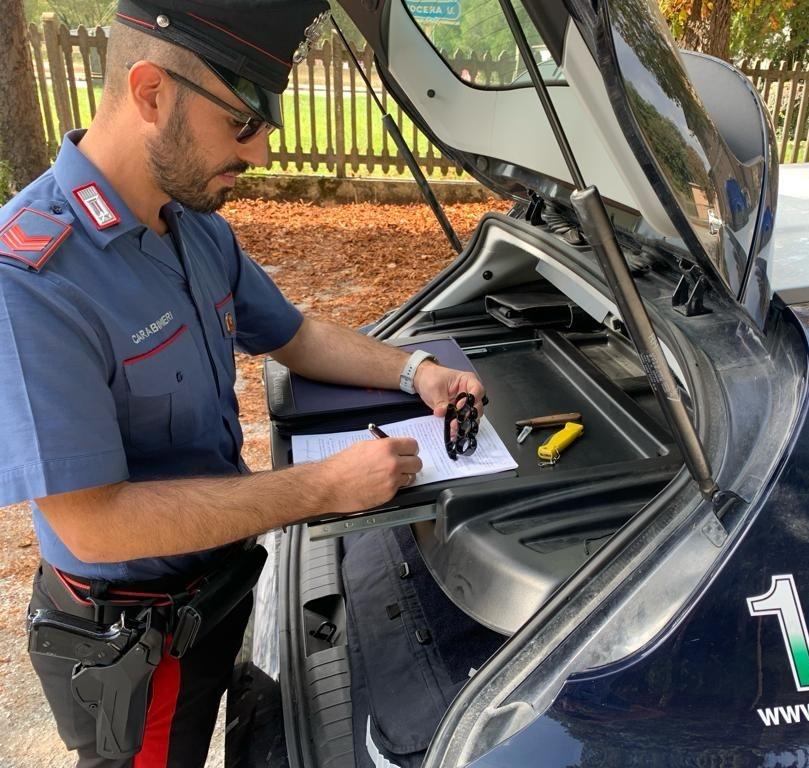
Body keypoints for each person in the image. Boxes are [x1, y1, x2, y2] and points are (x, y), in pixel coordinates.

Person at [0, 1, 485, 765]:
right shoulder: (32, 279)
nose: (258, 153)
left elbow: (296, 335)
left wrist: (414, 369)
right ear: (151, 91)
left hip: (216, 585)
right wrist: (321, 487)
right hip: (141, 642)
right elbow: (95, 524)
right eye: (241, 124)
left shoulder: (194, 226)